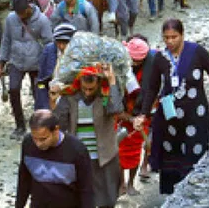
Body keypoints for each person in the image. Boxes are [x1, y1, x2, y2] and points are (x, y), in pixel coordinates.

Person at [132, 19, 209, 194]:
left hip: (195, 115)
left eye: (174, 37)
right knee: (171, 154)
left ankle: (193, 193)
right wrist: (143, 114)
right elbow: (152, 88)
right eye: (166, 37)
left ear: (182, 35)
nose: (170, 41)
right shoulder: (160, 58)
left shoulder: (197, 53)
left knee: (193, 152)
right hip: (170, 117)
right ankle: (172, 196)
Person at [54, 64, 124, 208]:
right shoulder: (70, 97)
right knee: (83, 198)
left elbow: (116, 109)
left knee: (108, 198)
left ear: (98, 83)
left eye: (91, 89)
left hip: (105, 155)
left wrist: (111, 81)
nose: (87, 92)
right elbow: (59, 123)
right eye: (84, 88)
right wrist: (54, 100)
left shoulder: (106, 94)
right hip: (80, 156)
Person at [117, 36, 171, 196]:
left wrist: (142, 114)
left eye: (137, 61)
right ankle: (121, 183)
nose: (134, 64)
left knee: (136, 151)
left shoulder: (155, 64)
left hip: (144, 113)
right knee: (119, 151)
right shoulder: (119, 65)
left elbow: (157, 89)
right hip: (123, 113)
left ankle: (131, 182)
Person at [0, 0, 54, 137]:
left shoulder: (42, 20)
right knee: (13, 90)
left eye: (22, 13)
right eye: (18, 14)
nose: (20, 16)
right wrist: (2, 62)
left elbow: (49, 43)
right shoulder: (11, 19)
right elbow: (6, 40)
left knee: (39, 93)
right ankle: (19, 125)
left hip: (36, 63)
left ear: (28, 8)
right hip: (16, 61)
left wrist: (49, 66)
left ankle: (40, 125)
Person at [16, 110, 95, 208]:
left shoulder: (76, 150)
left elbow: (86, 190)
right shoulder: (28, 144)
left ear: (56, 130)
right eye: (34, 138)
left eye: (43, 139)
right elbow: (24, 181)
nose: (38, 144)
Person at [35, 24, 77, 110]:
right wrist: (43, 107)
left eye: (65, 43)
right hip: (52, 95)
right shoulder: (48, 50)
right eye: (59, 42)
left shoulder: (80, 54)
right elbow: (41, 80)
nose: (61, 46)